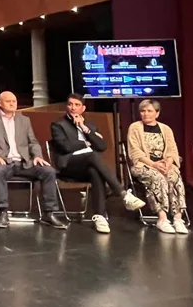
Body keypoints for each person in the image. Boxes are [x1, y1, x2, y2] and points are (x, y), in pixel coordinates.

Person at [50, 94, 145, 233]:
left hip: (87, 166)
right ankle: (123, 194)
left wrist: (84, 128)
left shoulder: (90, 126)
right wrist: (87, 142)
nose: (73, 108)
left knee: (95, 171)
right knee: (92, 155)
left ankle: (100, 216)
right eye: (70, 104)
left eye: (77, 105)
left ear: (83, 108)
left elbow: (101, 146)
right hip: (69, 165)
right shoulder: (58, 125)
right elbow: (66, 147)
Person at [0, 91, 68, 229]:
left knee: (48, 171)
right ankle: (3, 212)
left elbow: (33, 142)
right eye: (8, 101)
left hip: (24, 163)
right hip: (5, 162)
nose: (12, 103)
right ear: (0, 103)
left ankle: (49, 213)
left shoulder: (24, 120)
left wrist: (37, 156)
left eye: (14, 101)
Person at [126, 99, 188, 234]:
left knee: (174, 177)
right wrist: (153, 164)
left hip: (164, 164)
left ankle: (178, 218)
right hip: (143, 165)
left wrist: (168, 163)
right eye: (143, 111)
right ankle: (162, 218)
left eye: (149, 111)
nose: (145, 114)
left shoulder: (166, 129)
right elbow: (135, 152)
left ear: (157, 113)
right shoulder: (135, 127)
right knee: (157, 177)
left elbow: (172, 150)